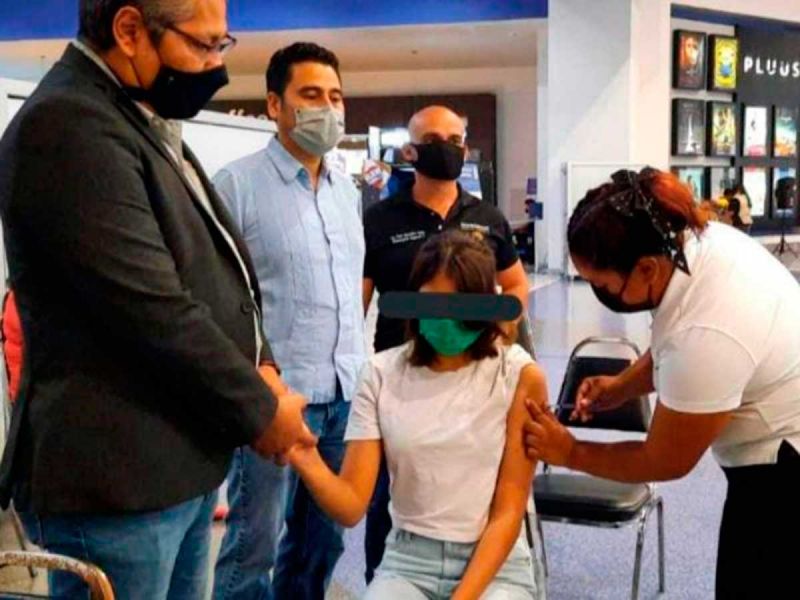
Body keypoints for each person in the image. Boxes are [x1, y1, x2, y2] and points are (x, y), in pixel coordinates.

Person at [0, 1, 314, 597]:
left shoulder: (131, 114)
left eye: (222, 44)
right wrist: (260, 409)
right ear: (129, 30)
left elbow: (213, 264)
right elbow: (150, 308)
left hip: (173, 462)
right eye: (203, 45)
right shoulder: (68, 125)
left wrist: (262, 362)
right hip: (118, 480)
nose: (216, 65)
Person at [524, 167, 800, 599]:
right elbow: (671, 343)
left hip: (782, 467)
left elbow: (665, 459)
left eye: (602, 283)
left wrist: (570, 451)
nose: (597, 291)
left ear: (647, 269)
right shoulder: (693, 243)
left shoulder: (708, 331)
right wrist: (620, 388)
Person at [287, 230, 546, 599]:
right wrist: (304, 456)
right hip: (408, 561)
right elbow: (351, 505)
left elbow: (509, 511)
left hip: (496, 566)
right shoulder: (380, 374)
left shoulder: (519, 375)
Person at [212, 42, 364, 600]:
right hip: (274, 401)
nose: (328, 108)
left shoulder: (347, 191)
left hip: (344, 394)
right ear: (275, 104)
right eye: (311, 95)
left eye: (335, 96)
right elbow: (220, 298)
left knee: (320, 545)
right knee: (251, 548)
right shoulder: (237, 186)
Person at [361, 105, 530, 580]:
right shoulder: (380, 220)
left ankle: (474, 575)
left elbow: (516, 285)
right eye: (434, 140)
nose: (448, 148)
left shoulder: (487, 218)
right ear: (410, 151)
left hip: (471, 377)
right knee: (388, 492)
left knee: (468, 484)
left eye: (456, 140)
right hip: (400, 380)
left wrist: (498, 326)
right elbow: (357, 300)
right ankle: (386, 578)